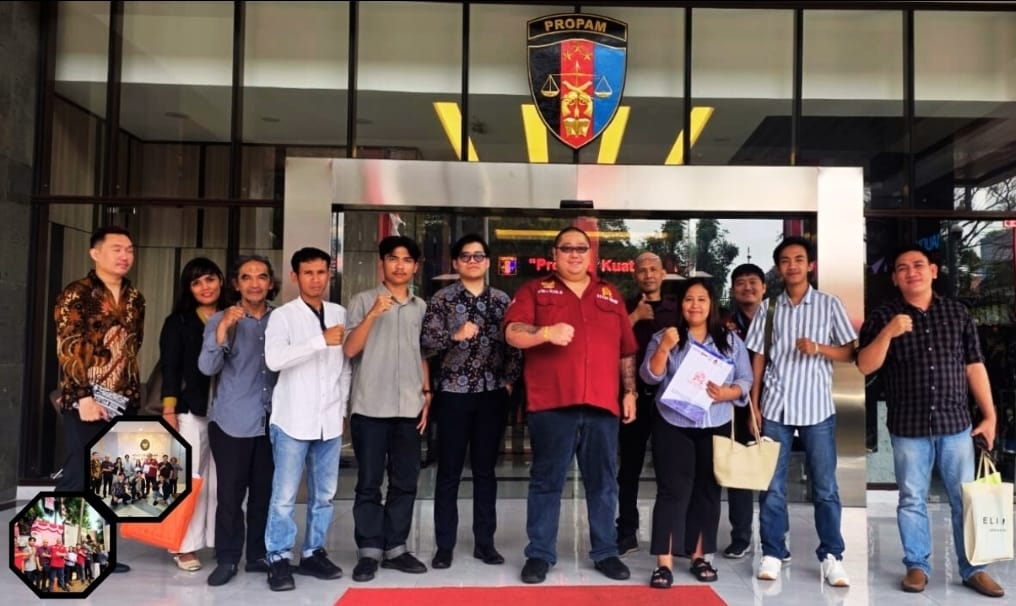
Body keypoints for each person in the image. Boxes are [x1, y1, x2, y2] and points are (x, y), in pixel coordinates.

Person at [857, 245, 1004, 598]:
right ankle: (917, 566)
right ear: (895, 278)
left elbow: (974, 366)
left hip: (955, 424)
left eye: (918, 265)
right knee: (911, 499)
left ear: (933, 271)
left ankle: (974, 569)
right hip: (908, 427)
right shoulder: (884, 316)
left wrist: (990, 415)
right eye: (902, 268)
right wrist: (888, 332)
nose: (912, 272)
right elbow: (864, 365)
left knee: (964, 499)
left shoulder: (957, 313)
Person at [503, 226, 638, 584]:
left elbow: (626, 349)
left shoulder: (610, 294)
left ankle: (606, 552)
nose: (574, 254)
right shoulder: (535, 290)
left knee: (603, 483)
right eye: (567, 248)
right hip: (552, 404)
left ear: (590, 254)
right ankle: (540, 554)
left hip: (602, 405)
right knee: (546, 482)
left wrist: (630, 391)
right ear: (555, 254)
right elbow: (512, 332)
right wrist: (546, 332)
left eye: (581, 248)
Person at [744, 236, 857, 587]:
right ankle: (773, 552)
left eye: (798, 259)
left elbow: (850, 351)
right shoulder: (768, 308)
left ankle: (832, 556)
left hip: (817, 408)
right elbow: (758, 357)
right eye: (785, 260)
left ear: (810, 265)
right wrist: (753, 404)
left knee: (825, 487)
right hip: (775, 408)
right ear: (778, 268)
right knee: (772, 487)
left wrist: (819, 348)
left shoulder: (829, 304)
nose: (792, 265)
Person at [640, 279, 753, 587]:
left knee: (707, 492)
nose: (695, 305)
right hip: (672, 423)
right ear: (680, 304)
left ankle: (698, 556)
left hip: (714, 422)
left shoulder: (729, 340)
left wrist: (728, 393)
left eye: (701, 299)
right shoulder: (665, 336)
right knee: (672, 491)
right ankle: (664, 563)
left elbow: (745, 379)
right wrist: (664, 348)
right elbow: (650, 377)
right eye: (689, 299)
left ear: (711, 304)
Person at [421, 234, 522, 570]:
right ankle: (444, 545)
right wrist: (454, 335)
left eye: (479, 256)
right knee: (448, 471)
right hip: (453, 394)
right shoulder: (443, 299)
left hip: (492, 394)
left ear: (488, 262)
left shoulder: (502, 300)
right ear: (456, 262)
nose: (473, 261)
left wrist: (509, 382)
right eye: (466, 256)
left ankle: (485, 543)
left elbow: (514, 346)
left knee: (485, 472)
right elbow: (426, 342)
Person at [53, 225, 143, 575]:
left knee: (109, 480)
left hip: (122, 401)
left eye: (129, 249)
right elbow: (68, 347)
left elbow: (132, 349)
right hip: (87, 401)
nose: (125, 256)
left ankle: (99, 553)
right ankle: (63, 555)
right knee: (77, 475)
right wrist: (83, 397)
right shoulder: (77, 293)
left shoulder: (135, 298)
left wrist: (132, 397)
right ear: (95, 253)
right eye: (117, 248)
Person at [262, 247, 352, 591]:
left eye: (321, 272)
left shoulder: (339, 313)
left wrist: (341, 410)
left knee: (324, 494)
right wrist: (319, 341)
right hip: (292, 419)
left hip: (329, 420)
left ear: (330, 274)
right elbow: (274, 360)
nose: (316, 279)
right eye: (308, 273)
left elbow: (344, 367)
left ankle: (314, 552)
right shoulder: (283, 317)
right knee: (284, 496)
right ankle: (278, 556)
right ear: (295, 276)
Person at [343, 235, 431, 583]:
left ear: (415, 266)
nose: (400, 265)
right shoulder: (362, 300)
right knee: (368, 482)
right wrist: (372, 315)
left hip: (409, 407)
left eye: (407, 260)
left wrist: (427, 393)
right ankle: (369, 550)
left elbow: (421, 353)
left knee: (405, 481)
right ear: (382, 263)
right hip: (370, 407)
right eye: (393, 258)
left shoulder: (421, 307)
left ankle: (396, 548)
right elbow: (350, 349)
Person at [199, 255, 279, 587]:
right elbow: (207, 367)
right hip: (232, 420)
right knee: (230, 496)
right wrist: (223, 330)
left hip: (273, 421)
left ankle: (258, 554)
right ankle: (228, 557)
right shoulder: (221, 318)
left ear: (271, 283)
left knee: (264, 493)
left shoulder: (281, 319)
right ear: (236, 283)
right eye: (247, 277)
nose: (254, 283)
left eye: (261, 277)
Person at [159, 256, 226, 571]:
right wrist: (169, 409)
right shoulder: (179, 322)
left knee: (218, 481)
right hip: (190, 411)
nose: (205, 287)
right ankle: (183, 545)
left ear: (221, 280)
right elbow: (169, 368)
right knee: (190, 479)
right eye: (196, 282)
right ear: (188, 288)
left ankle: (211, 538)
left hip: (227, 413)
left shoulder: (232, 315)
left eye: (210, 279)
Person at [615, 251, 679, 556]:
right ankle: (627, 531)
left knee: (671, 469)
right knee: (629, 468)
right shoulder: (623, 307)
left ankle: (671, 533)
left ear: (663, 273)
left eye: (654, 269)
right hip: (632, 396)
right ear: (634, 275)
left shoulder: (677, 309)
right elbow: (608, 341)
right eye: (642, 270)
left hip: (669, 399)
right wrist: (635, 317)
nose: (649, 275)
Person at [720, 263, 766, 559]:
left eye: (753, 282)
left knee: (772, 470)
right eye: (740, 283)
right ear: (733, 289)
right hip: (736, 403)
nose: (747, 287)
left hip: (776, 402)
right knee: (738, 470)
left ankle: (775, 538)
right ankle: (741, 536)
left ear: (764, 287)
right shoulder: (724, 323)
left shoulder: (777, 319)